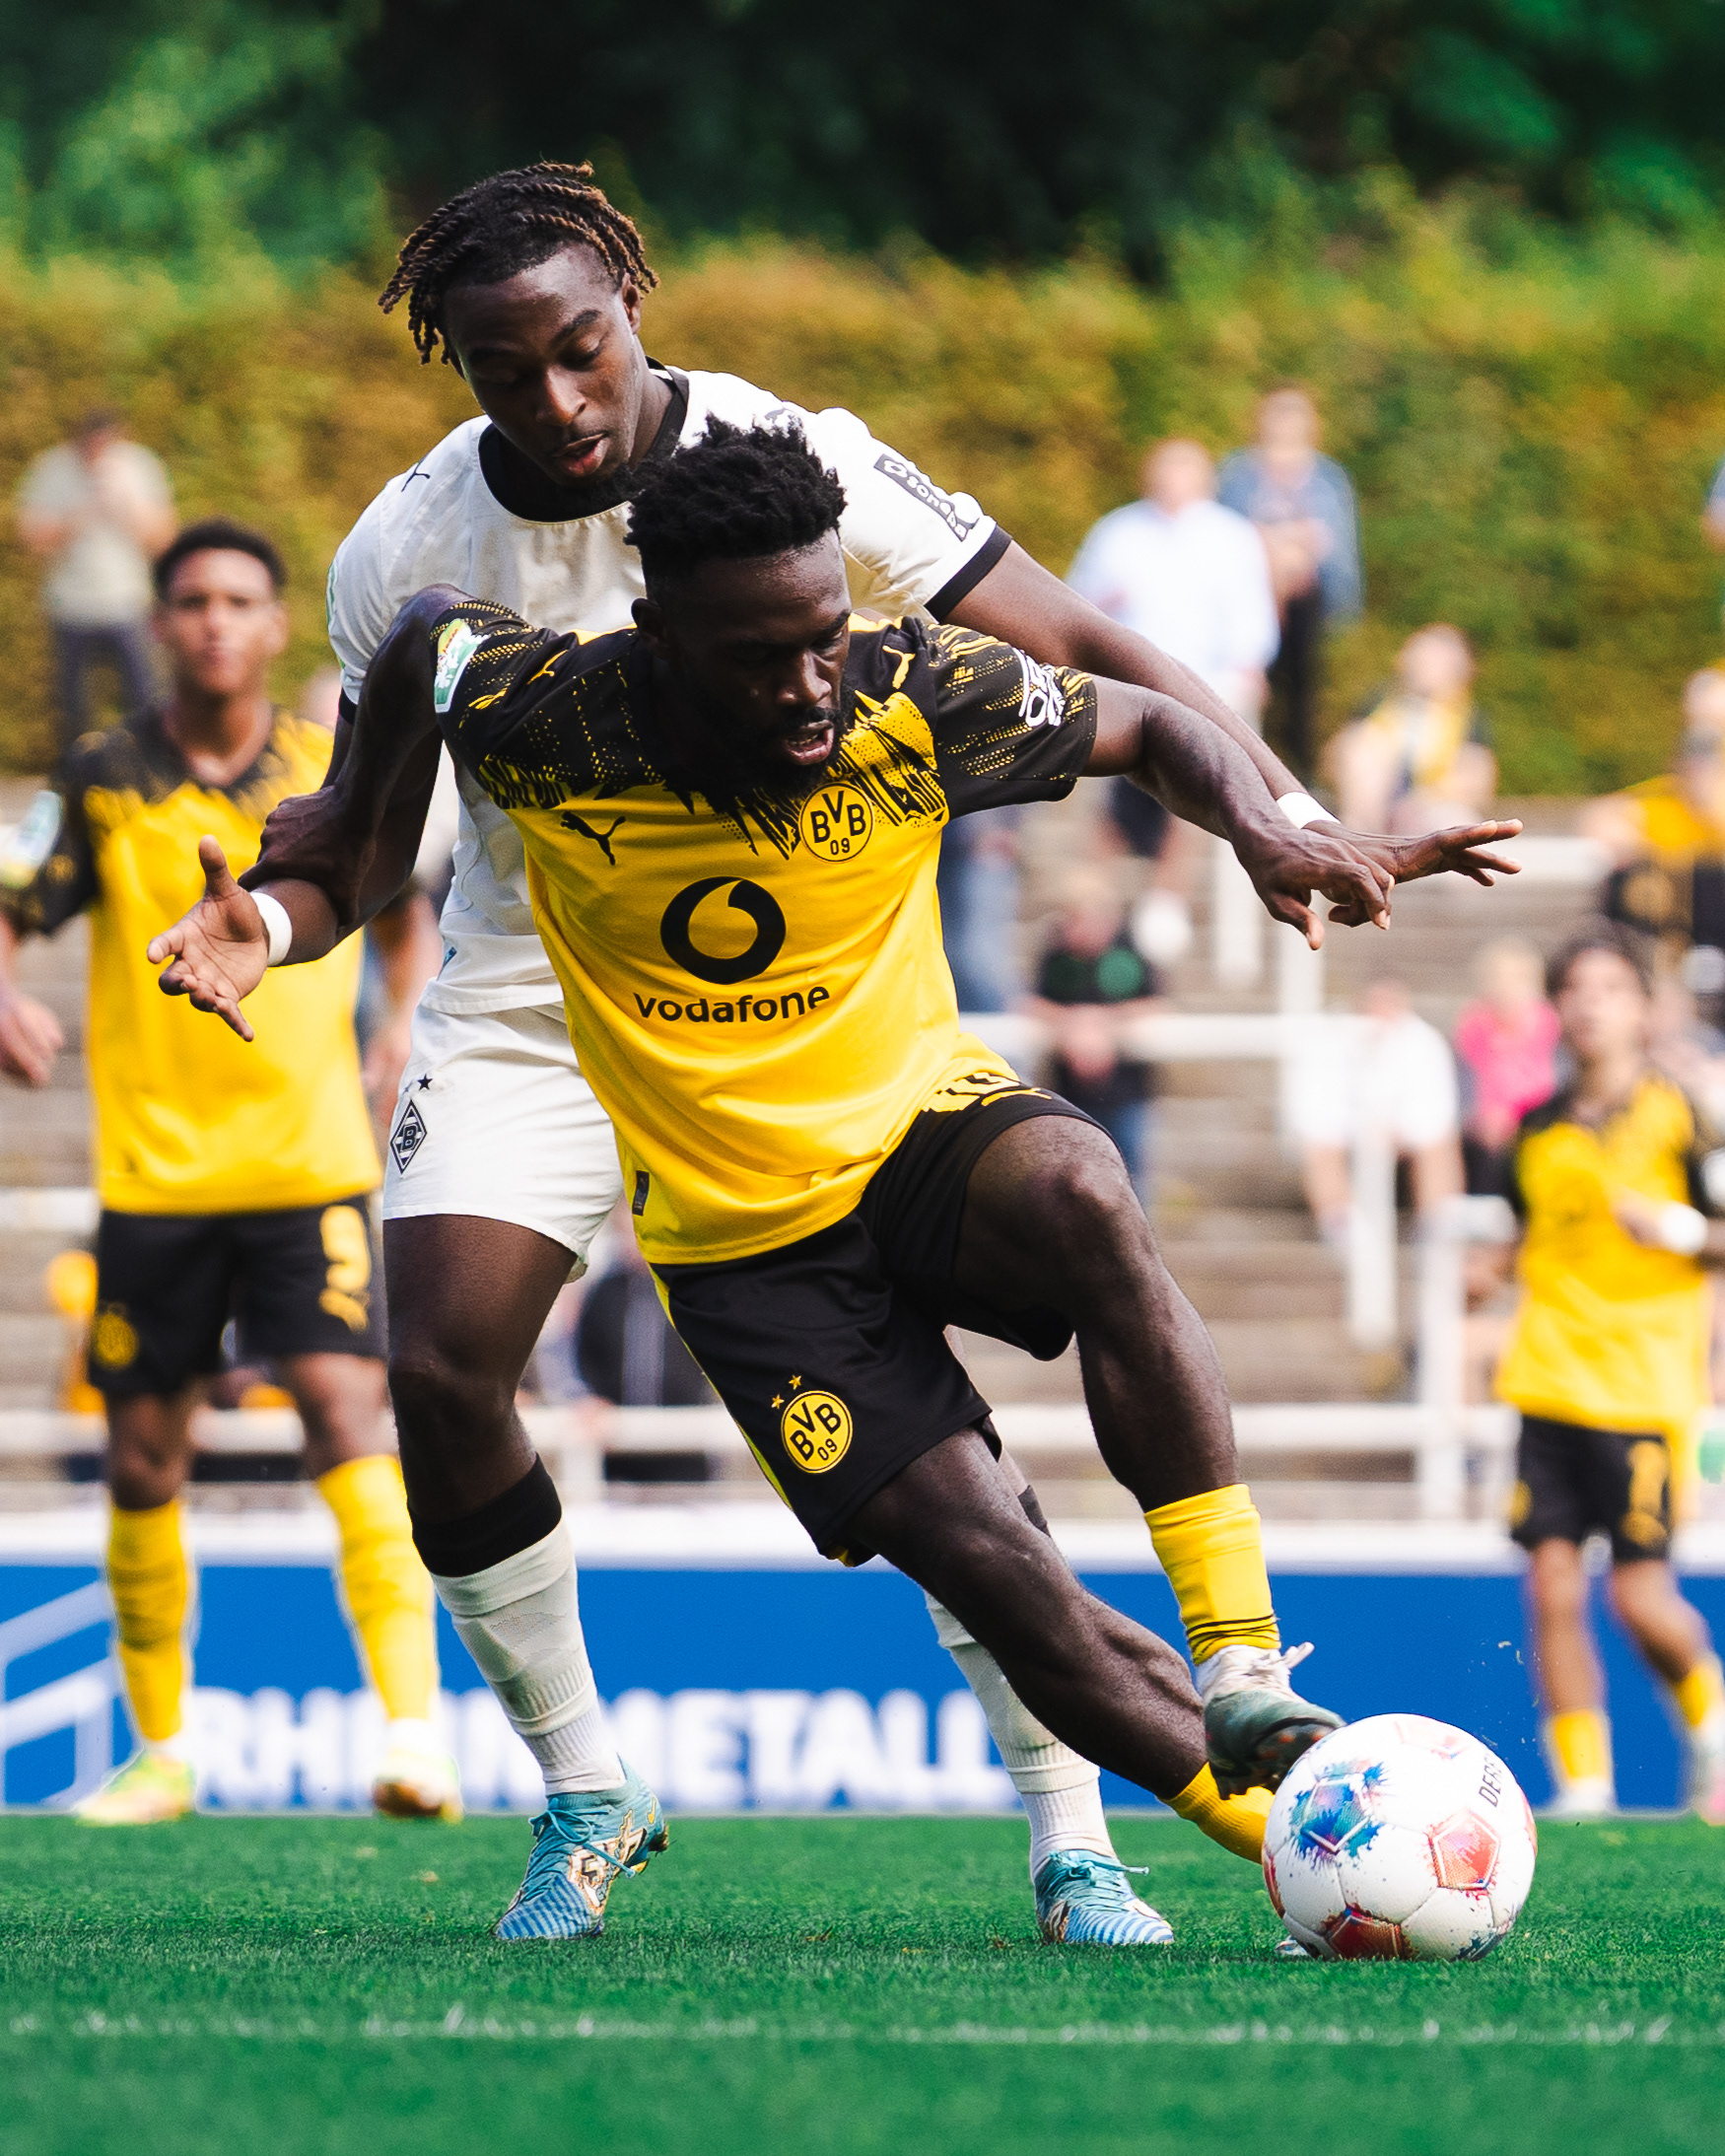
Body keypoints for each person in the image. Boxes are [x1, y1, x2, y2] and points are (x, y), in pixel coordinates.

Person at [156, 161, 1439, 1944]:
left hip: (808, 1007)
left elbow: (1072, 650)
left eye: (582, 350)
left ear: (632, 295)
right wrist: (277, 924)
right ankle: (587, 1784)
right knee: (440, 1370)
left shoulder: (786, 458)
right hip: (535, 982)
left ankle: (1082, 1825)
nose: (557, 401)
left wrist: (1281, 816)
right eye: (502, 371)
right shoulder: (413, 562)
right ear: (449, 362)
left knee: (994, 1355)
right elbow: (363, 828)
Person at [0, 519, 454, 1826]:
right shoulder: (99, 777)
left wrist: (398, 1019)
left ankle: (414, 1734)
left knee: (348, 1418)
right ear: (161, 624)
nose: (213, 620)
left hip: (305, 1163)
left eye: (239, 600)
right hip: (153, 1177)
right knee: (145, 1460)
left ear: (273, 628)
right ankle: (162, 1753)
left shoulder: (326, 764)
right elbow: (14, 890)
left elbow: (404, 898)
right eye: (190, 600)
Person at [1490, 924, 1725, 1821]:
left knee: (1640, 1595)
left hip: (1644, 1389)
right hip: (1547, 1377)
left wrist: (1685, 1232)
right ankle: (1584, 1782)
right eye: (1575, 989)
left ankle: (1709, 1725)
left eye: (1610, 989)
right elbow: (1523, 1236)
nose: (1591, 1005)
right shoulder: (1535, 1129)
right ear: (1557, 1007)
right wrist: (1493, 1269)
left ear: (1643, 1005)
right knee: (1549, 1583)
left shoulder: (1686, 1114)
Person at [1069, 438, 1279, 951]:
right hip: (1122, 684)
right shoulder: (1118, 532)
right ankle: (1093, 901)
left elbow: (1252, 622)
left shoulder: (1232, 538)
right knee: (1118, 780)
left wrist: (1244, 673)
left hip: (1202, 687)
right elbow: (1070, 605)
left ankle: (1167, 896)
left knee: (1184, 772)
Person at [14, 409, 176, 759]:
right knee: (71, 705)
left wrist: (124, 506)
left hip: (127, 601)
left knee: (144, 695)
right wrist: (79, 514)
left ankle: (151, 765)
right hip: (70, 605)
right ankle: (74, 777)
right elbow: (31, 538)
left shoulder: (139, 466)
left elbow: (164, 538)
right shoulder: (53, 469)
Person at [1217, 386, 1361, 781]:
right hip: (1252, 597)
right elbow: (1224, 533)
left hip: (1305, 600)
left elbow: (1338, 542)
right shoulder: (1239, 473)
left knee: (1301, 692)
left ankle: (1298, 775)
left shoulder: (1328, 476)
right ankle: (1247, 772)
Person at [1288, 977, 1464, 1250]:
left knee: (1438, 1145)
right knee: (1319, 1146)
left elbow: (1435, 1116)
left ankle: (1438, 1232)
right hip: (1345, 1140)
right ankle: (1344, 1230)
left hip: (1403, 1144)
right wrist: (1367, 1131)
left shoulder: (1424, 1042)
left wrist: (1398, 1131)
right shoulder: (1328, 1040)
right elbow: (1314, 1115)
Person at [1024, 867, 1162, 1193]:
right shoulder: (1057, 953)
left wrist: (1102, 1024)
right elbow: (1031, 1003)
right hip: (1069, 1095)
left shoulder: (1131, 948)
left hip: (1127, 1093)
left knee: (1132, 1184)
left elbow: (1157, 1004)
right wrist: (1074, 1024)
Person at [1330, 625, 1496, 836]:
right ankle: (1362, 838)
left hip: (1432, 808)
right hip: (1375, 805)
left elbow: (1477, 779)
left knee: (1458, 824)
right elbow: (1338, 757)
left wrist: (1425, 798)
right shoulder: (1379, 704)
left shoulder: (1468, 718)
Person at [1452, 938, 1561, 1196]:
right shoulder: (1473, 1027)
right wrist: (1479, 1117)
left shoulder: (1551, 1025)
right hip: (1486, 1131)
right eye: (1498, 978)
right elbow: (1464, 1083)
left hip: (1538, 1120)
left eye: (1515, 979)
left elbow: (1559, 1081)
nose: (1506, 988)